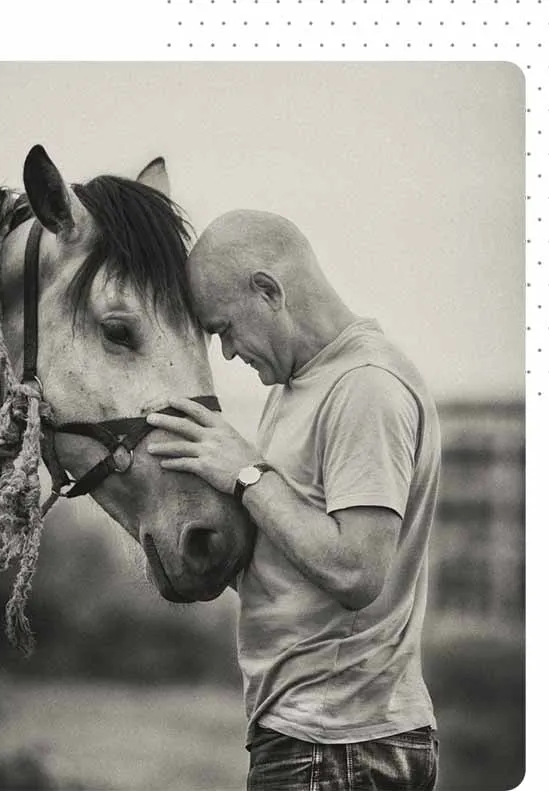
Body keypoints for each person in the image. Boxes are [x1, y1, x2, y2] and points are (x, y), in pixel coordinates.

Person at [146, 209, 441, 791]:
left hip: (340, 746)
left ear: (269, 291)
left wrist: (249, 476)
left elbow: (357, 570)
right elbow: (297, 557)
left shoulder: (364, 387)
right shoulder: (301, 386)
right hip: (314, 736)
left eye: (225, 327)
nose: (227, 352)